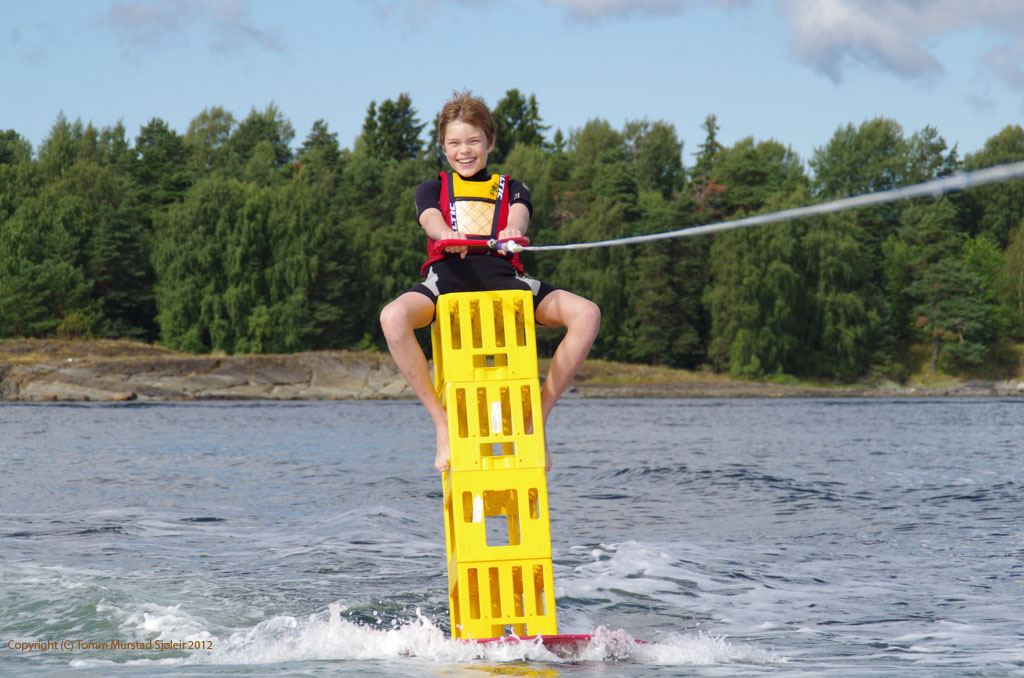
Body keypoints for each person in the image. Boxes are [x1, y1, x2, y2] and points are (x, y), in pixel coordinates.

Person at [379, 90, 600, 473]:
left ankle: (537, 419)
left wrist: (513, 229)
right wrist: (447, 235)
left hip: (506, 281)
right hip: (445, 283)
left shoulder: (513, 187)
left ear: (490, 142)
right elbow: (430, 219)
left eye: (473, 141)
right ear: (443, 146)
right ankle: (442, 425)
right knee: (392, 318)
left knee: (587, 314)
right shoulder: (432, 188)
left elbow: (518, 215)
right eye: (454, 143)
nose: (464, 151)